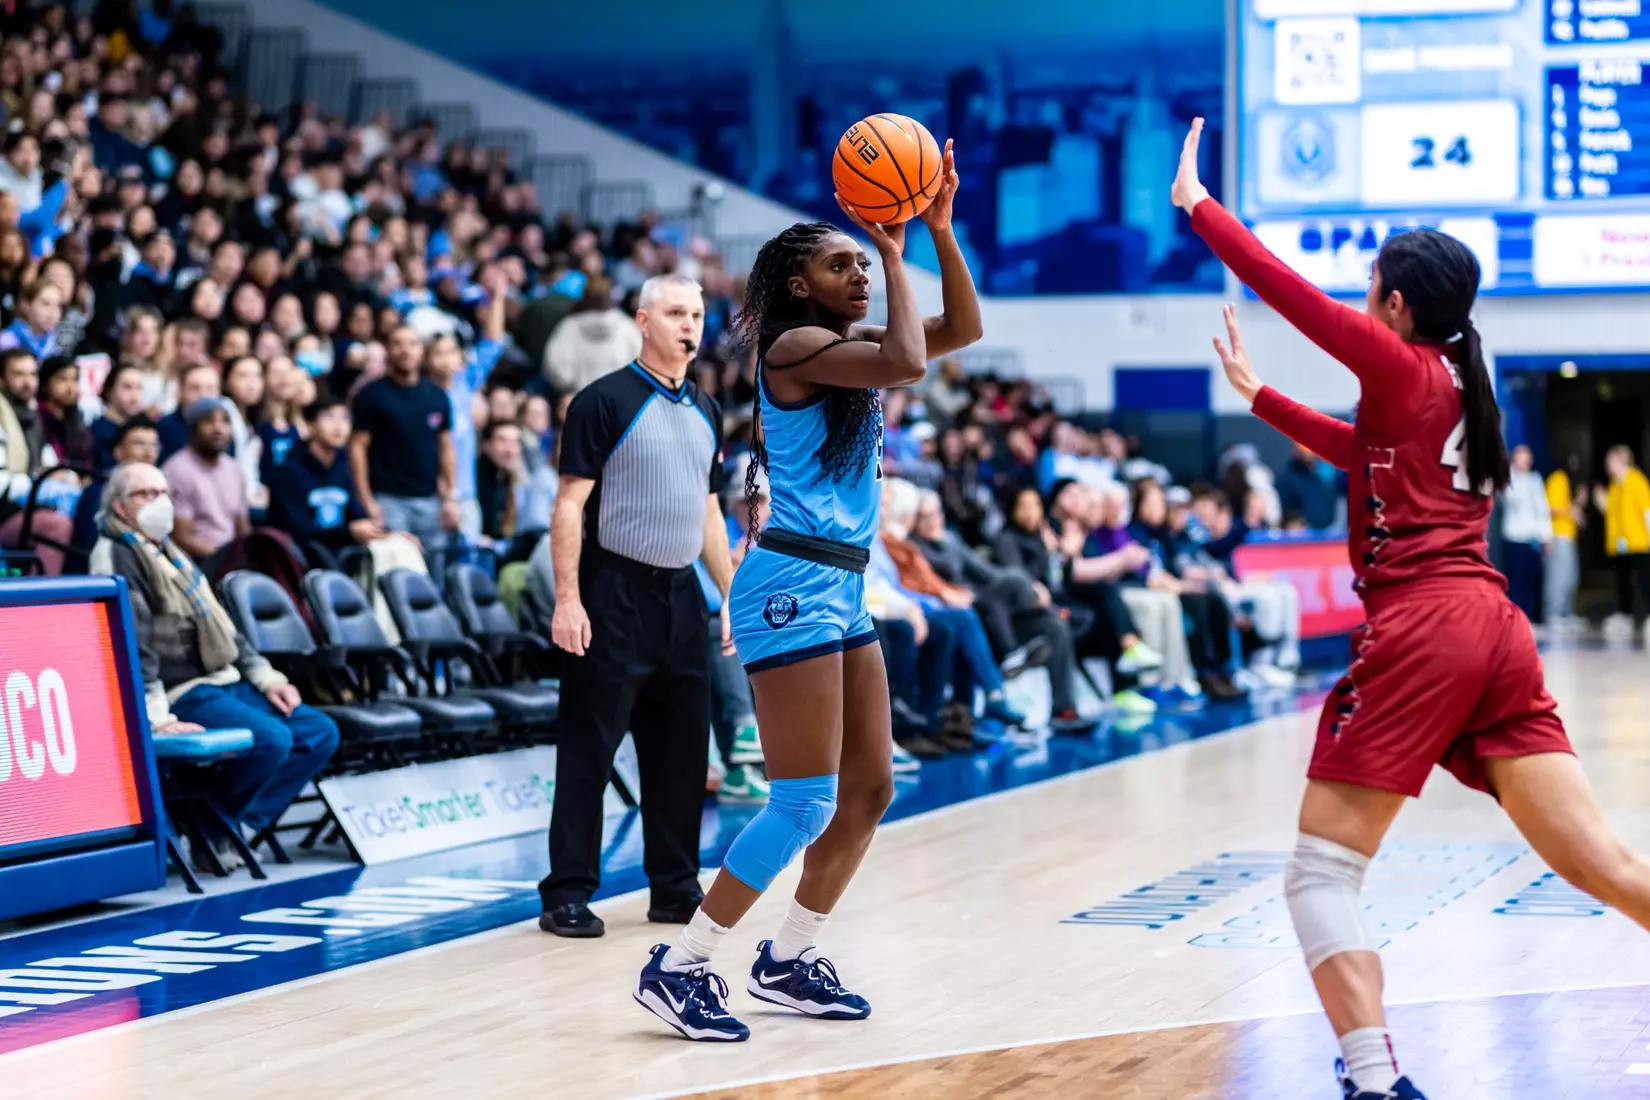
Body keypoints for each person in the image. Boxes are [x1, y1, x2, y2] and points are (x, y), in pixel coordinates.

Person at [1179, 115, 1650, 1100]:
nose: (1360, 303)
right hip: (1494, 630)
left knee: (1318, 875)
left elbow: (1292, 295)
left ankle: (1373, 1076)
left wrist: (1200, 208)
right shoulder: (1464, 384)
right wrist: (1264, 399)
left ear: (1393, 303)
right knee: (1600, 860)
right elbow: (1365, 455)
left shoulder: (1396, 364)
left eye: (1370, 294)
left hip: (1425, 626)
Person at [636, 141, 980, 1042]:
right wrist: (902, 257)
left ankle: (791, 956)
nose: (861, 273)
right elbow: (910, 359)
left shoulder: (843, 344)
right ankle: (680, 965)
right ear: (798, 285)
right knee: (803, 801)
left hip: (839, 582)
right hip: (788, 581)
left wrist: (938, 234)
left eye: (865, 263)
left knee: (871, 788)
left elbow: (960, 332)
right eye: (843, 265)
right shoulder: (793, 346)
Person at [541, 273, 731, 943]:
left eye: (699, 314)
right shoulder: (603, 401)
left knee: (681, 749)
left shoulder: (707, 409)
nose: (690, 325)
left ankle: (676, 888)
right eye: (676, 312)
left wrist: (731, 594)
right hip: (612, 588)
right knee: (589, 748)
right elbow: (568, 504)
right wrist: (569, 598)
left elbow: (709, 513)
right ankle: (567, 892)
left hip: (682, 595)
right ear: (643, 321)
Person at [91, 461, 339, 862]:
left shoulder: (171, 551)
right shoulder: (118, 555)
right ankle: (214, 828)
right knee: (272, 740)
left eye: (165, 493)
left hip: (224, 678)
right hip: (179, 691)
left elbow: (226, 628)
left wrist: (266, 677)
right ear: (121, 507)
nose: (162, 502)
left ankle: (229, 825)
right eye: (148, 494)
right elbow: (132, 646)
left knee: (318, 731)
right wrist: (156, 717)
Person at [349, 325, 458, 552]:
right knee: (399, 570)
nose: (405, 350)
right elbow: (357, 447)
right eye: (398, 344)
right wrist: (366, 498)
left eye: (412, 344)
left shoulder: (437, 396)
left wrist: (450, 496)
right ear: (388, 350)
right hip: (388, 500)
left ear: (422, 351)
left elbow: (445, 446)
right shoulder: (371, 394)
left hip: (430, 500)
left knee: (433, 576)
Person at [265, 395, 385, 562]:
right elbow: (296, 531)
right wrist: (348, 532)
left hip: (342, 554)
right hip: (302, 559)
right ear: (310, 425)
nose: (339, 426)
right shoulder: (288, 471)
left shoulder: (342, 468)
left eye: (345, 418)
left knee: (397, 547)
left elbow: (356, 515)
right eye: (329, 417)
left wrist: (385, 533)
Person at [161, 397, 249, 567]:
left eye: (225, 421)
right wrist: (225, 561)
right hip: (195, 564)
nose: (218, 429)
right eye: (208, 421)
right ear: (193, 429)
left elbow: (243, 526)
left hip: (231, 558)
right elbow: (181, 537)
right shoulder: (177, 470)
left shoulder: (234, 468)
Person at [1595, 445, 1650, 639]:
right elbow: (1612, 512)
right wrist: (1600, 502)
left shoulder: (1636, 481)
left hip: (1639, 542)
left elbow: (1646, 510)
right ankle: (1624, 614)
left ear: (1621, 460)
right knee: (1622, 581)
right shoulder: (1615, 486)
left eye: (1610, 460)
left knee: (1645, 580)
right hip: (1619, 544)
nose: (1607, 465)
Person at [1499, 444, 1551, 621]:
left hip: (1533, 537)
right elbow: (1509, 499)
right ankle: (1515, 616)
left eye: (1528, 456)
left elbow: (1542, 508)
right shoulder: (1508, 478)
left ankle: (1530, 616)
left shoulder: (1535, 479)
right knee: (1516, 580)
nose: (1526, 460)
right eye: (1522, 456)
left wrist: (1546, 536)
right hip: (1515, 536)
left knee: (1532, 579)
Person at [1545, 453, 1584, 628]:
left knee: (1570, 577)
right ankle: (1554, 614)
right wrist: (1572, 510)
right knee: (1558, 577)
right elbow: (1552, 508)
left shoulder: (1567, 482)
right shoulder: (1557, 479)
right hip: (1558, 535)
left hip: (1569, 537)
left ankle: (1566, 614)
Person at [155, 362, 221, 464]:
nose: (203, 395)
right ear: (180, 392)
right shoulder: (163, 428)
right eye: (195, 388)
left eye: (210, 388)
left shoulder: (224, 430)